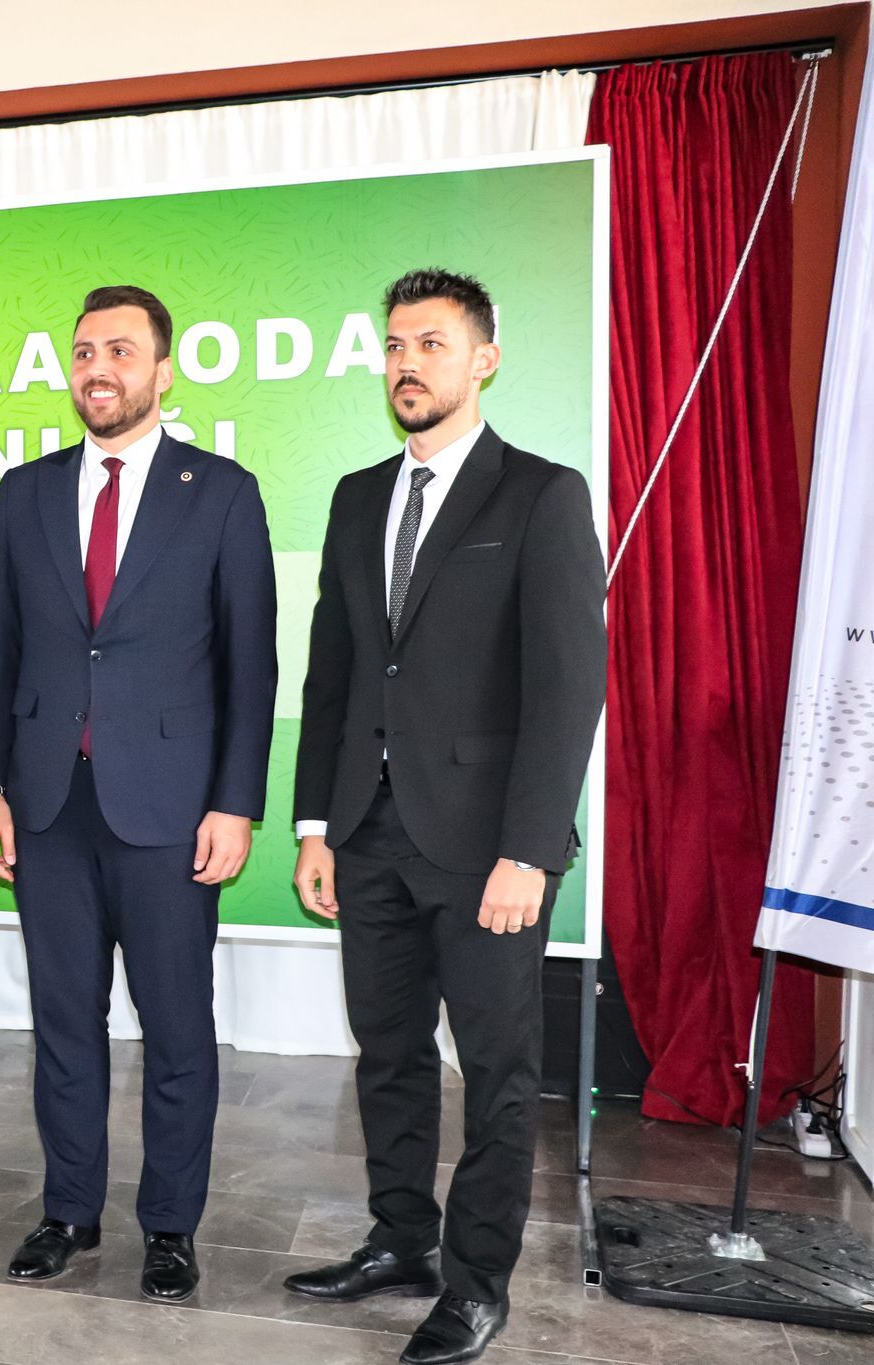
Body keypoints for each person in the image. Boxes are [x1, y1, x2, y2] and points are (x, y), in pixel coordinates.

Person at [284, 269, 606, 1365]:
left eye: (430, 343)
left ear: (484, 360)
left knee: (496, 1075)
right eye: (392, 346)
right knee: (386, 1054)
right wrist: (314, 825)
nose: (406, 363)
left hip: (486, 848)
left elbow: (567, 687)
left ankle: (475, 1286)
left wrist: (530, 849)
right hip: (365, 829)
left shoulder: (540, 494)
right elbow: (332, 674)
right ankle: (399, 1239)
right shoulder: (355, 497)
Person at [0, 286, 278, 1302]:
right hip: (46, 807)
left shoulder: (220, 491)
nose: (96, 368)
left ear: (161, 371)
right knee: (63, 1022)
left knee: (176, 1028)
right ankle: (68, 1209)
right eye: (81, 351)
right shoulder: (24, 492)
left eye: (117, 350)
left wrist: (234, 803)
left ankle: (170, 1224)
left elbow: (250, 666)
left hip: (170, 813)